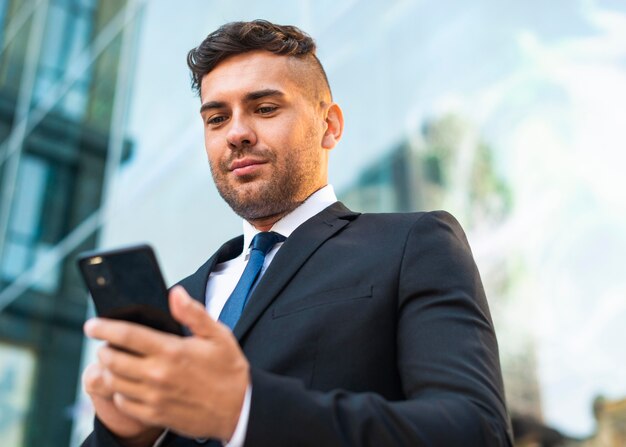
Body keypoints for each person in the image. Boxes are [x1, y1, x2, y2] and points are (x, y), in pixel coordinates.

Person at [81, 20, 513, 447]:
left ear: (330, 125)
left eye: (265, 108)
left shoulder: (412, 244)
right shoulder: (178, 303)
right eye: (216, 118)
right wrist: (125, 435)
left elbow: (475, 431)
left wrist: (244, 409)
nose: (236, 134)